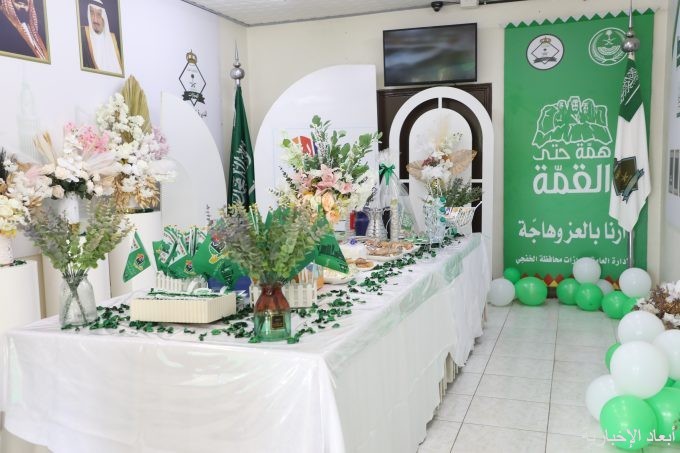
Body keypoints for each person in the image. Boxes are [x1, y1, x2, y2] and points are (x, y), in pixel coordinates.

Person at [80, 0, 122, 75]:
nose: (95, 20)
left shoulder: (115, 40)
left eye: (99, 14)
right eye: (91, 13)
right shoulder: (82, 34)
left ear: (104, 17)